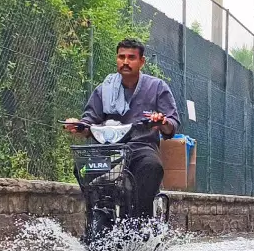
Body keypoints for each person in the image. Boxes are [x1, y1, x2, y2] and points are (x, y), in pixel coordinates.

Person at [65, 37, 180, 218]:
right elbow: (89, 122)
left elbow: (172, 125)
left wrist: (162, 122)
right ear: (116, 59)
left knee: (152, 167)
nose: (125, 62)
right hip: (108, 149)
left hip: (142, 148)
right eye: (121, 57)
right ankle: (96, 213)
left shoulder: (157, 87)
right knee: (83, 167)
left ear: (142, 61)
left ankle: (140, 221)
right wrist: (78, 126)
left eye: (131, 57)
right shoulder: (104, 89)